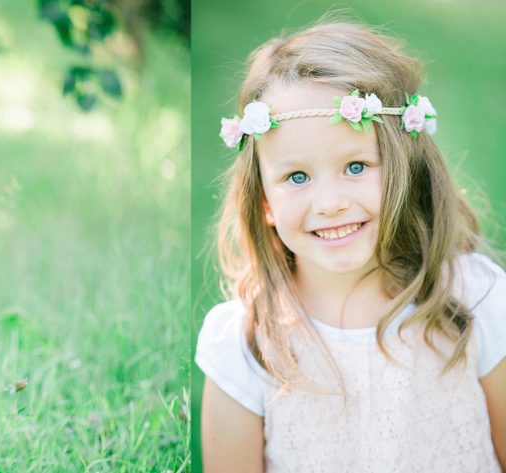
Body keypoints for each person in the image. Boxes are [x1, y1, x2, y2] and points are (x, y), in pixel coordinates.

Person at [198, 20, 506, 472]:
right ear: (264, 199)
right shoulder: (244, 344)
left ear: (403, 165)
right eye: (297, 177)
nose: (331, 204)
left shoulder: (475, 298)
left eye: (357, 166)